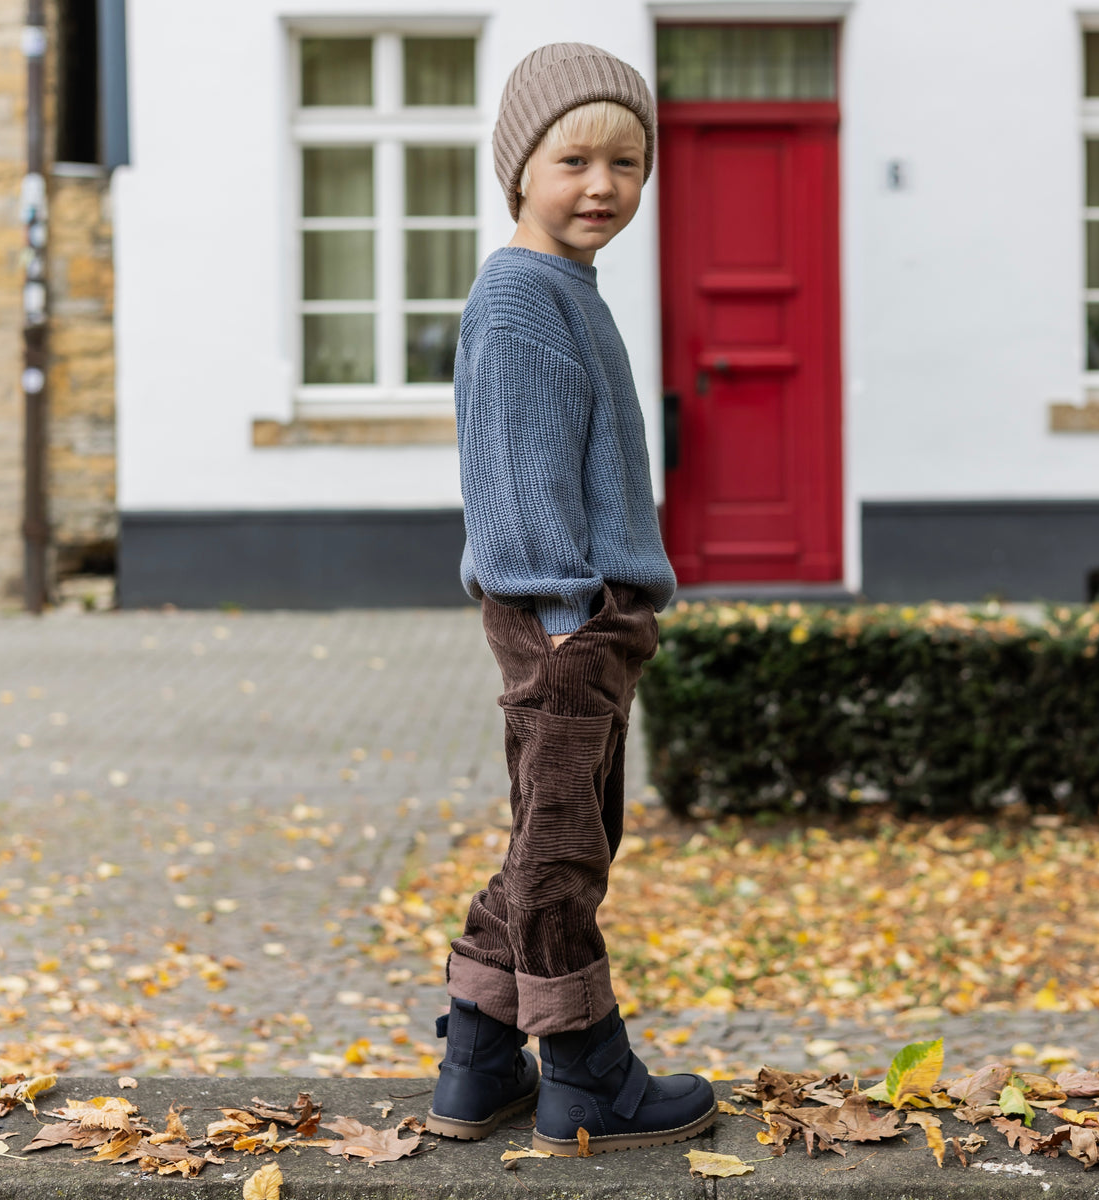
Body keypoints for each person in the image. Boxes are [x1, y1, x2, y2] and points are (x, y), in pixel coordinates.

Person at [424, 42, 717, 1156]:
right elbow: (515, 471)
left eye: (628, 162)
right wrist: (563, 617)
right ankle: (587, 1070)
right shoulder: (517, 298)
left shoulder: (560, 287)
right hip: (565, 617)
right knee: (562, 855)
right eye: (575, 159)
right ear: (520, 170)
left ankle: (479, 1062)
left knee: (563, 833)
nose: (603, 184)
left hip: (591, 615)